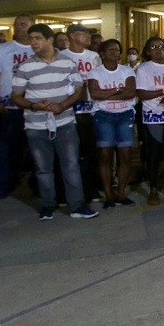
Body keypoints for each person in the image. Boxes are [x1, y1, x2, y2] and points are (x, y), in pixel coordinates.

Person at [10, 24, 96, 221]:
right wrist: (34, 105)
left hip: (64, 122)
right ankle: (48, 204)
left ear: (50, 40)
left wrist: (63, 105)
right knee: (43, 168)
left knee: (71, 165)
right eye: (31, 38)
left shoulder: (67, 63)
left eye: (38, 38)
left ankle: (77, 205)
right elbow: (16, 96)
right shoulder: (25, 67)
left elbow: (78, 90)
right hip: (36, 125)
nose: (33, 42)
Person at [0, 14, 34, 207]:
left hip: (34, 107)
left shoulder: (37, 47)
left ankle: (36, 185)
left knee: (35, 150)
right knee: (5, 150)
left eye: (23, 24)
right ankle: (1, 187)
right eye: (16, 24)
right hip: (10, 107)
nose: (19, 26)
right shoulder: (2, 49)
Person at [88, 39, 137, 209]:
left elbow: (130, 92)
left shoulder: (127, 70)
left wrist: (107, 93)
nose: (115, 52)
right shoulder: (95, 72)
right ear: (102, 53)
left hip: (125, 115)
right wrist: (118, 90)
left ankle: (121, 193)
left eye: (117, 50)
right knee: (105, 156)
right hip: (103, 116)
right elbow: (95, 94)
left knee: (125, 156)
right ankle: (109, 195)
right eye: (110, 50)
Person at [134, 36, 164, 206]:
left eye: (161, 46)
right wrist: (162, 92)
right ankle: (153, 189)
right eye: (153, 47)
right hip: (153, 114)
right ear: (147, 51)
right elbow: (141, 93)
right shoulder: (144, 69)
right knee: (154, 153)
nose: (158, 49)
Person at [59, 23, 103, 202]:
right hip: (70, 110)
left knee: (92, 152)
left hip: (91, 109)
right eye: (84, 33)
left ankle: (91, 189)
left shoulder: (94, 57)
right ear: (72, 36)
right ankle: (67, 191)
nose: (88, 37)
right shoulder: (61, 56)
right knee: (71, 155)